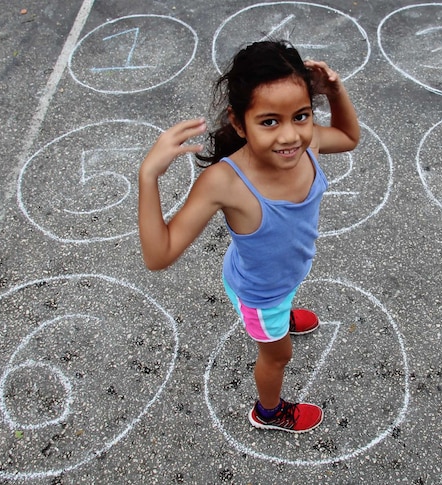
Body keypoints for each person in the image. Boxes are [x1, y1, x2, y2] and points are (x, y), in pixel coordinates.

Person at [138, 40, 360, 433]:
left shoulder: (308, 146)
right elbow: (159, 254)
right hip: (261, 294)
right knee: (277, 357)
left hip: (283, 275)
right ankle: (269, 413)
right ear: (239, 123)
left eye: (302, 115)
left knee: (287, 293)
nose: (289, 135)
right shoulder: (225, 182)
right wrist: (148, 176)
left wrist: (336, 91)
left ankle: (284, 314)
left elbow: (347, 135)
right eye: (269, 121)